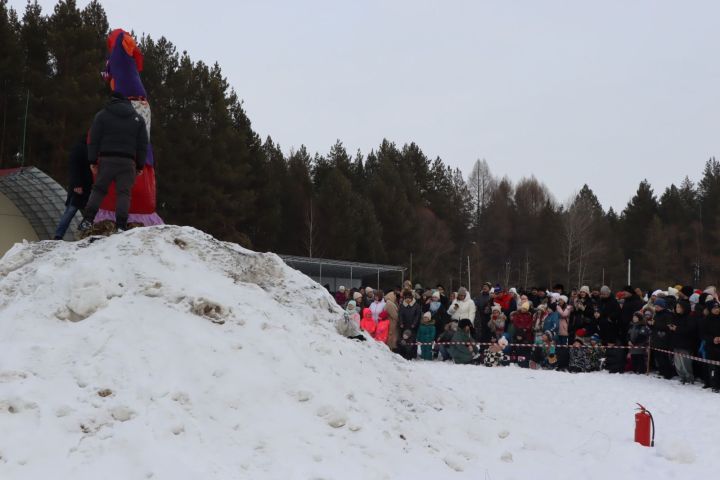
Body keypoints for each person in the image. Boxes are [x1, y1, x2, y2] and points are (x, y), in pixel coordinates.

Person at [79, 91, 148, 232]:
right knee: (124, 193)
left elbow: (94, 140)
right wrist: (140, 165)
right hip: (128, 162)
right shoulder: (138, 119)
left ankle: (87, 220)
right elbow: (142, 145)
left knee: (98, 190)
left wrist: (92, 161)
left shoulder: (102, 115)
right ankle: (121, 225)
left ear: (112, 100)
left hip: (107, 160)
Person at [54, 135, 93, 239]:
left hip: (89, 187)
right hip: (79, 187)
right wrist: (77, 184)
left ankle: (84, 233)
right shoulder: (80, 148)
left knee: (90, 212)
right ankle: (58, 235)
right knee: (71, 210)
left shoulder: (91, 148)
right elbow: (74, 167)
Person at [669, 299, 697, 384]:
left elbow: (690, 330)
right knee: (678, 364)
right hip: (676, 343)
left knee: (686, 363)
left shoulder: (690, 318)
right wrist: (671, 328)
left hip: (685, 344)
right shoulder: (675, 317)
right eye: (676, 307)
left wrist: (677, 329)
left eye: (679, 307)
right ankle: (682, 377)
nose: (677, 309)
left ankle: (689, 378)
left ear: (684, 308)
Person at [648, 298, 675, 379]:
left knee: (664, 357)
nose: (656, 308)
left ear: (662, 306)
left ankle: (668, 373)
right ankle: (662, 371)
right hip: (656, 338)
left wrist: (655, 324)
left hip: (664, 339)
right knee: (658, 357)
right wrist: (650, 324)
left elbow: (668, 327)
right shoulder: (656, 314)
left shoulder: (668, 315)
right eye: (655, 306)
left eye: (657, 306)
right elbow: (655, 327)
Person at [701, 301, 720, 392]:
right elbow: (703, 334)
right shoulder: (706, 320)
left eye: (717, 308)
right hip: (710, 347)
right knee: (712, 367)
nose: (717, 310)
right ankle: (712, 384)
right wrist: (712, 339)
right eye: (714, 308)